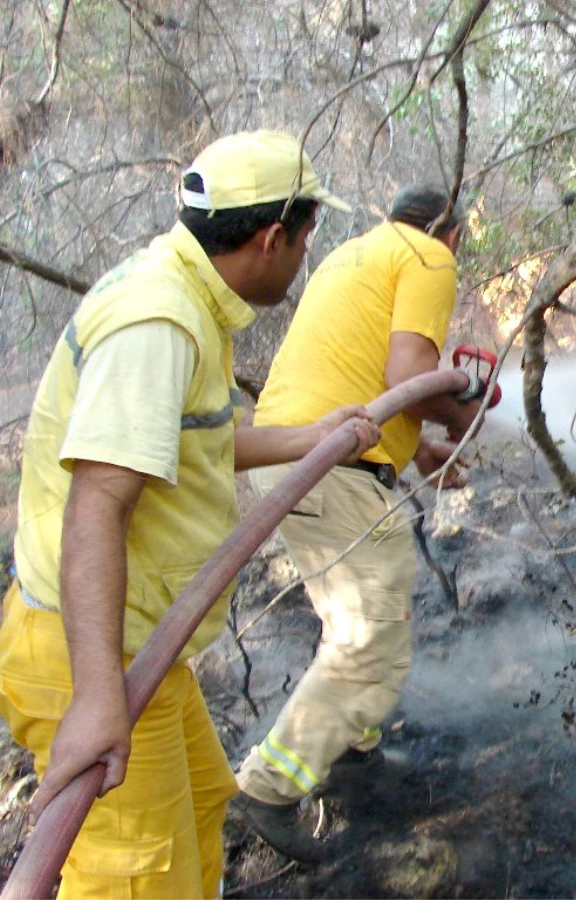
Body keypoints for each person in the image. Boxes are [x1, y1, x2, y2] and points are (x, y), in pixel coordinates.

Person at [0, 130, 381, 898]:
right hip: (91, 656)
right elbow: (97, 508)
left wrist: (314, 439)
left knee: (205, 805)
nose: (305, 255)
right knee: (137, 879)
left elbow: (192, 441)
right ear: (273, 237)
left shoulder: (185, 299)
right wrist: (100, 699)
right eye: (307, 237)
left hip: (138, 649)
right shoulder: (158, 323)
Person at [232, 184, 484, 861]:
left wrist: (420, 449)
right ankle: (268, 787)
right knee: (370, 641)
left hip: (287, 450)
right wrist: (464, 414)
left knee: (354, 619)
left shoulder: (356, 253)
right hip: (327, 460)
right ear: (451, 233)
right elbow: (411, 373)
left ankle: (350, 753)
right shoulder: (431, 258)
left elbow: (363, 375)